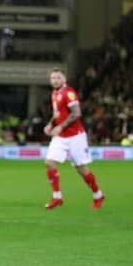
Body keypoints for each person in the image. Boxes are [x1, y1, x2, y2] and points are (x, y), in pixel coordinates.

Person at [44, 68, 104, 210]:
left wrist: (61, 126)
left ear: (64, 79)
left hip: (75, 136)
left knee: (81, 169)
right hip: (61, 137)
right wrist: (50, 124)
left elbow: (77, 113)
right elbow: (57, 113)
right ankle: (57, 197)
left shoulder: (69, 93)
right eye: (53, 78)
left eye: (58, 78)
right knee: (49, 162)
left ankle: (98, 194)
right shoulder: (54, 94)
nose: (55, 80)